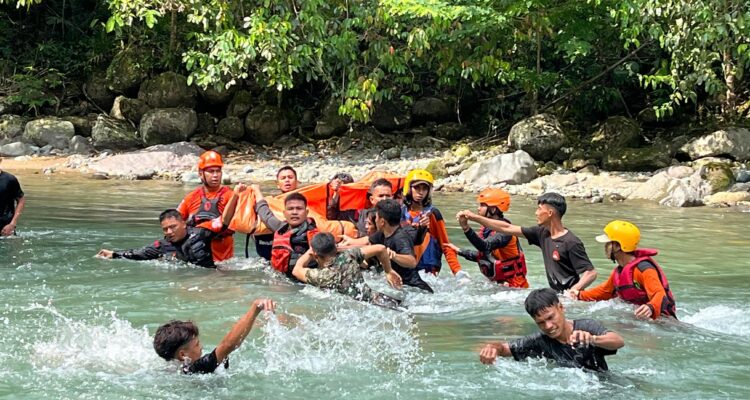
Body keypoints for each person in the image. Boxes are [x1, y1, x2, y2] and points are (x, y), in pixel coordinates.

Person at [458, 192, 597, 292]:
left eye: (539, 209)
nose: (536, 213)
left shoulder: (571, 242)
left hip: (571, 299)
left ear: (550, 213)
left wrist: (573, 291)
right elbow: (506, 228)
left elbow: (591, 273)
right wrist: (474, 219)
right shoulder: (541, 233)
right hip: (556, 295)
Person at [97, 184, 246, 268]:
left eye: (173, 227)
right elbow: (139, 253)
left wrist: (235, 195)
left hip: (213, 275)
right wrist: (114, 254)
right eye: (165, 229)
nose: (169, 232)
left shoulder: (200, 233)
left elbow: (224, 221)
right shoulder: (164, 245)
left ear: (183, 223)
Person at [478, 288, 624, 372]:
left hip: (606, 386)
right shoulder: (539, 341)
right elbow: (504, 349)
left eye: (550, 317)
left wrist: (593, 339)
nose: (548, 326)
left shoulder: (586, 327)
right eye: (541, 322)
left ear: (561, 308)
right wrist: (492, 348)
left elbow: (618, 341)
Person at [566, 220, 677, 320]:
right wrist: (578, 295)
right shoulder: (619, 272)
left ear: (618, 246)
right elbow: (604, 292)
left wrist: (651, 307)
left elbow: (659, 293)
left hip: (663, 321)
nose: (605, 246)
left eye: (608, 243)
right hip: (639, 319)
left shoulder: (644, 269)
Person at [153, 298, 275, 374]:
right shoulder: (195, 369)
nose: (201, 346)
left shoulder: (171, 369)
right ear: (182, 355)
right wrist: (255, 308)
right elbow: (228, 345)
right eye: (197, 344)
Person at [341, 199, 433, 293]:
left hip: (415, 289)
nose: (375, 220)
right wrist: (340, 247)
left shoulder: (400, 238)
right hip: (399, 286)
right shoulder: (382, 233)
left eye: (376, 217)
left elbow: (412, 262)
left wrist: (395, 256)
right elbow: (366, 242)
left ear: (382, 222)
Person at [292, 232, 403, 308]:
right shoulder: (350, 256)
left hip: (359, 310)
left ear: (315, 254)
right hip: (380, 300)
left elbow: (296, 270)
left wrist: (310, 251)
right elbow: (380, 248)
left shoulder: (321, 276)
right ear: (335, 247)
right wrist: (388, 271)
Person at [448, 188, 528, 288]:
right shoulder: (487, 230)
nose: (478, 208)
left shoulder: (505, 232)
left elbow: (484, 246)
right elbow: (483, 256)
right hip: (500, 285)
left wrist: (466, 228)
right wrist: (459, 251)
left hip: (516, 287)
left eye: (482, 205)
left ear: (493, 209)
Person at [401, 169, 467, 280]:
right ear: (408, 188)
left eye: (424, 188)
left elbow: (445, 245)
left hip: (427, 273)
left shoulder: (433, 214)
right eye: (417, 188)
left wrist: (457, 271)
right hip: (405, 270)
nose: (421, 192)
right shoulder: (400, 213)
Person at [177, 150, 236, 262]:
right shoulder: (191, 198)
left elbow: (242, 223)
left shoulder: (231, 196)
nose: (215, 175)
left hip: (223, 260)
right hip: (196, 257)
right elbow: (176, 223)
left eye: (218, 171)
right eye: (211, 171)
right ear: (201, 173)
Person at [252, 185, 317, 279]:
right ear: (284, 213)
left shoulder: (314, 235)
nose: (294, 212)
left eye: (299, 208)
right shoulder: (281, 228)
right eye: (290, 209)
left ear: (306, 212)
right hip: (282, 279)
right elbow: (264, 212)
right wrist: (256, 190)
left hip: (304, 282)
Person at [253, 166, 300, 260]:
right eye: (283, 178)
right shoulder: (272, 203)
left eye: (290, 177)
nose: (287, 180)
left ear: (297, 182)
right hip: (270, 254)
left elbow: (273, 222)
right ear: (278, 184)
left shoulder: (303, 203)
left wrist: (257, 192)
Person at [327, 178, 394, 237]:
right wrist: (336, 193)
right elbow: (333, 217)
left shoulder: (399, 215)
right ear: (372, 199)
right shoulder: (359, 215)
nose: (385, 199)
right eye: (381, 196)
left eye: (388, 196)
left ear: (392, 197)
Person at [0, 157, 26, 237]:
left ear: (0, 160)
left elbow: (21, 200)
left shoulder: (10, 179)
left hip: (5, 228)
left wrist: (12, 223)